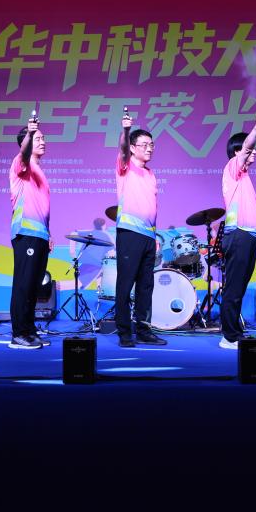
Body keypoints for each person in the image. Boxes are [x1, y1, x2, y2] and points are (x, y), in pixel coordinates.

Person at [115, 111, 166, 347]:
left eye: (151, 144)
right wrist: (126, 130)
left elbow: (152, 207)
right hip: (129, 234)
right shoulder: (125, 166)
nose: (149, 148)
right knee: (126, 284)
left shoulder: (151, 174)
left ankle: (144, 330)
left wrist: (154, 236)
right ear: (133, 148)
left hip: (147, 236)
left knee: (146, 286)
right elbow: (123, 147)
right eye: (144, 145)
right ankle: (125, 333)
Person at [218, 108, 256, 349]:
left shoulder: (244, 176)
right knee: (234, 287)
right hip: (238, 234)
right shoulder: (232, 168)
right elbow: (248, 145)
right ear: (237, 153)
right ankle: (229, 336)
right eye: (248, 149)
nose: (253, 151)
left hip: (248, 235)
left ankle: (235, 332)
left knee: (240, 286)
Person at [8, 115, 52, 350]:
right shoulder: (21, 163)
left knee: (34, 287)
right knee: (24, 285)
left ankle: (29, 329)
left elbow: (42, 207)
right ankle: (18, 334)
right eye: (37, 139)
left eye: (43, 138)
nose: (42, 141)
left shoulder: (39, 170)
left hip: (40, 233)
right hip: (26, 232)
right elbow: (24, 153)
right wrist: (30, 133)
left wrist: (48, 233)